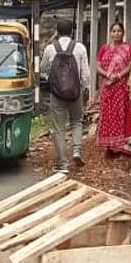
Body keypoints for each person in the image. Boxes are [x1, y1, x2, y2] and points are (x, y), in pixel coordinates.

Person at [40, 18, 91, 172]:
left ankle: (62, 163)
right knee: (77, 122)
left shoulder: (50, 48)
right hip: (75, 93)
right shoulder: (80, 47)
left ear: (57, 32)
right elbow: (86, 74)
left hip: (57, 94)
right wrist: (82, 88)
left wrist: (54, 78)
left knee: (59, 128)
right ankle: (76, 150)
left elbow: (43, 68)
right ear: (72, 31)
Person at [96, 23, 131, 156]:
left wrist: (118, 75)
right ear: (110, 33)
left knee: (120, 114)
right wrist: (108, 75)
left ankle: (119, 146)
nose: (116, 33)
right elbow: (98, 66)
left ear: (123, 33)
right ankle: (108, 146)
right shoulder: (104, 48)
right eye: (114, 31)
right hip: (107, 87)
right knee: (107, 114)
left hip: (121, 86)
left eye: (119, 31)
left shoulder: (129, 48)